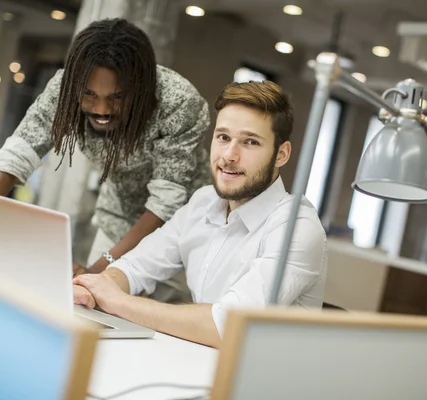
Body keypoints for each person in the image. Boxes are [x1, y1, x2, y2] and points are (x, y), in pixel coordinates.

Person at [0, 19, 211, 304]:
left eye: (117, 97)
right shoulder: (64, 87)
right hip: (118, 218)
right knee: (95, 307)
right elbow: (18, 152)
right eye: (89, 94)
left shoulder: (178, 102)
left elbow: (166, 202)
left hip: (182, 228)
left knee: (164, 321)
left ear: (141, 89)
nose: (101, 110)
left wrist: (98, 270)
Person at [73, 80, 327, 348]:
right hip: (200, 365)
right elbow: (136, 267)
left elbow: (227, 325)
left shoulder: (297, 227)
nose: (229, 155)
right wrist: (96, 288)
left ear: (281, 154)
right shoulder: (203, 201)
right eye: (224, 137)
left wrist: (118, 301)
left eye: (250, 142)